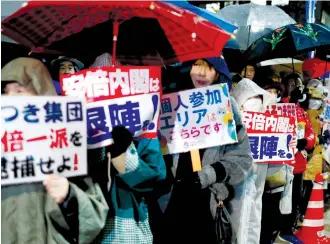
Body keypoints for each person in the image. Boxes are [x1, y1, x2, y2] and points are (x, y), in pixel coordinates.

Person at [1, 57, 109, 244]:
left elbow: (95, 216)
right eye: (5, 91)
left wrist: (69, 195)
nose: (11, 98)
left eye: (19, 90)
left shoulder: (64, 143)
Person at [149, 57, 253, 244]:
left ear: (218, 73)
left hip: (205, 202)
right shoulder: (170, 102)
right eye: (197, 65)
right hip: (167, 199)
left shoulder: (227, 107)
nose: (202, 73)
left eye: (210, 67)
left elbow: (242, 159)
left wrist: (210, 174)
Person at [86, 54, 166, 244]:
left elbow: (155, 176)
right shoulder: (78, 124)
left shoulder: (143, 126)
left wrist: (123, 154)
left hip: (128, 223)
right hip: (89, 223)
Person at [276, 79, 316, 243]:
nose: (295, 89)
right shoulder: (275, 108)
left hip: (297, 164)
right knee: (275, 200)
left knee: (294, 199)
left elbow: (311, 135)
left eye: (298, 86)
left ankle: (287, 229)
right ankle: (274, 230)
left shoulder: (301, 112)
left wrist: (305, 142)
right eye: (291, 85)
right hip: (278, 164)